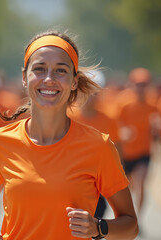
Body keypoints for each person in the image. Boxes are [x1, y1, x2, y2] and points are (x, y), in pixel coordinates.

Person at [0, 31, 138, 240]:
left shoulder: (99, 145)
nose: (49, 79)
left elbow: (131, 225)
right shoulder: (0, 141)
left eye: (61, 71)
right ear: (25, 77)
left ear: (74, 81)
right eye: (40, 69)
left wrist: (98, 227)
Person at [68, 70, 122, 219]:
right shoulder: (68, 117)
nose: (91, 97)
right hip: (71, 184)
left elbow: (117, 149)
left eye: (95, 93)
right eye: (87, 92)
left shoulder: (109, 120)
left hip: (98, 186)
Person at [116, 68, 158, 215]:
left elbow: (155, 125)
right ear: (132, 84)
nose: (141, 87)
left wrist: (157, 126)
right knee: (129, 187)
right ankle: (128, 214)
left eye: (144, 84)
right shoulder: (123, 102)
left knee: (140, 184)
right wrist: (122, 131)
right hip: (126, 154)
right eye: (138, 84)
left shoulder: (152, 105)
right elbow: (114, 123)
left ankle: (137, 217)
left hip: (144, 152)